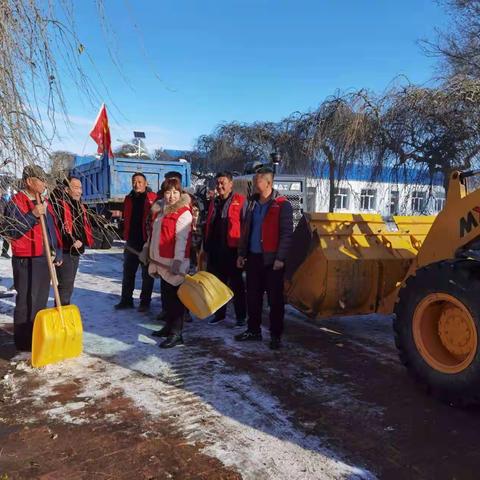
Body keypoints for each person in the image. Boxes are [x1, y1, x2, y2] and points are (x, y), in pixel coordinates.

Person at [3, 165, 63, 351]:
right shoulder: (16, 202)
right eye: (41, 179)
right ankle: (23, 342)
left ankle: (37, 337)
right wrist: (33, 215)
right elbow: (11, 231)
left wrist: (57, 250)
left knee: (40, 300)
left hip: (43, 256)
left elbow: (52, 229)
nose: (44, 183)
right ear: (29, 181)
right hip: (25, 258)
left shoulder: (44, 201)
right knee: (26, 300)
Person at [235, 167, 293, 350]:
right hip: (253, 258)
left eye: (257, 181)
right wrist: (241, 254)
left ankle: (275, 335)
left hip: (272, 261)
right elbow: (246, 231)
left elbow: (286, 234)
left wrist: (281, 258)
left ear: (268, 183)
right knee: (252, 297)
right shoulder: (252, 203)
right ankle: (253, 330)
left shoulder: (282, 204)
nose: (253, 184)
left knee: (275, 301)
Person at [147, 178, 192, 348]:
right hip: (161, 261)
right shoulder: (161, 211)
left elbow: (182, 240)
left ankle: (176, 333)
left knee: (176, 300)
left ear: (180, 193)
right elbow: (155, 235)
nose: (171, 196)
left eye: (175, 192)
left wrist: (178, 261)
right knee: (166, 299)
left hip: (174, 263)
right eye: (168, 192)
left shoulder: (183, 213)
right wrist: (148, 249)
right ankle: (168, 327)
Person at [204, 171, 246, 326]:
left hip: (232, 250)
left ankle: (241, 316)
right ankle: (219, 314)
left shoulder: (240, 201)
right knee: (217, 285)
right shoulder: (214, 202)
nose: (220, 186)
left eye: (223, 183)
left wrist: (242, 251)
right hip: (215, 250)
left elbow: (246, 226)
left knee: (237, 285)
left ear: (231, 184)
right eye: (218, 183)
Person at [116, 172, 156, 311]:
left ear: (146, 183)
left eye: (140, 182)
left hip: (146, 242)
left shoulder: (152, 198)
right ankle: (126, 300)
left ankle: (145, 302)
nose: (136, 184)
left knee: (147, 275)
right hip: (131, 242)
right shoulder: (128, 199)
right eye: (134, 181)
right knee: (128, 273)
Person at [50, 176, 94, 305]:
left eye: (80, 188)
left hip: (75, 251)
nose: (79, 191)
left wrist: (82, 239)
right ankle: (61, 312)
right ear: (66, 189)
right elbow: (57, 228)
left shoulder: (78, 205)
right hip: (65, 250)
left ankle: (63, 309)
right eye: (75, 188)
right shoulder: (59, 204)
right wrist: (72, 240)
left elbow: (83, 225)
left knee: (69, 284)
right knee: (65, 284)